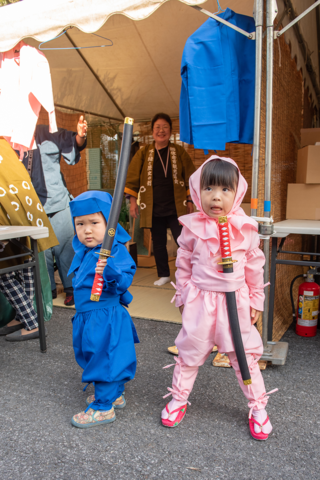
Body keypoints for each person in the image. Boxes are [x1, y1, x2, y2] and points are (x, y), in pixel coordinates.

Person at [161, 156, 277, 441]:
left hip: (234, 302)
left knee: (244, 355)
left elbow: (254, 265)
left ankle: (258, 405)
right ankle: (178, 398)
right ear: (197, 191)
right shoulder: (191, 228)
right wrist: (183, 296)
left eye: (225, 189)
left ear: (237, 193)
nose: (216, 196)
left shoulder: (245, 228)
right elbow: (183, 263)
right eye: (209, 188)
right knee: (189, 353)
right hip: (200, 301)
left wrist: (255, 301)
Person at [68, 191, 139, 428]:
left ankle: (103, 407)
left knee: (104, 357)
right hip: (89, 316)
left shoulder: (114, 252)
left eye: (94, 223)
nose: (87, 230)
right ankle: (113, 394)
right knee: (95, 354)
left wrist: (109, 269)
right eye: (80, 224)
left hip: (105, 317)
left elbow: (122, 280)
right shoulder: (86, 251)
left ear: (110, 225)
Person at [20, 116, 87, 306]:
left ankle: (72, 289)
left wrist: (81, 135)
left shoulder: (47, 131)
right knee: (42, 253)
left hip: (58, 202)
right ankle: (46, 291)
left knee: (65, 249)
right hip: (33, 205)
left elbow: (72, 142)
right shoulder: (14, 140)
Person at [125, 113, 195, 286]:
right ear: (152, 131)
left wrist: (190, 200)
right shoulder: (143, 153)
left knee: (183, 241)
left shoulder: (179, 151)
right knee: (158, 243)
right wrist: (133, 202)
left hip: (176, 206)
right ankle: (164, 274)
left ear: (170, 131)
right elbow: (132, 178)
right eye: (158, 127)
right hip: (153, 207)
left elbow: (191, 177)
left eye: (165, 127)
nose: (161, 131)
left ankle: (187, 274)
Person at [0, 137, 58, 341]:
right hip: (26, 211)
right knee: (25, 264)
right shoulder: (5, 145)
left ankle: (31, 321)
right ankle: (24, 317)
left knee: (5, 272)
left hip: (8, 216)